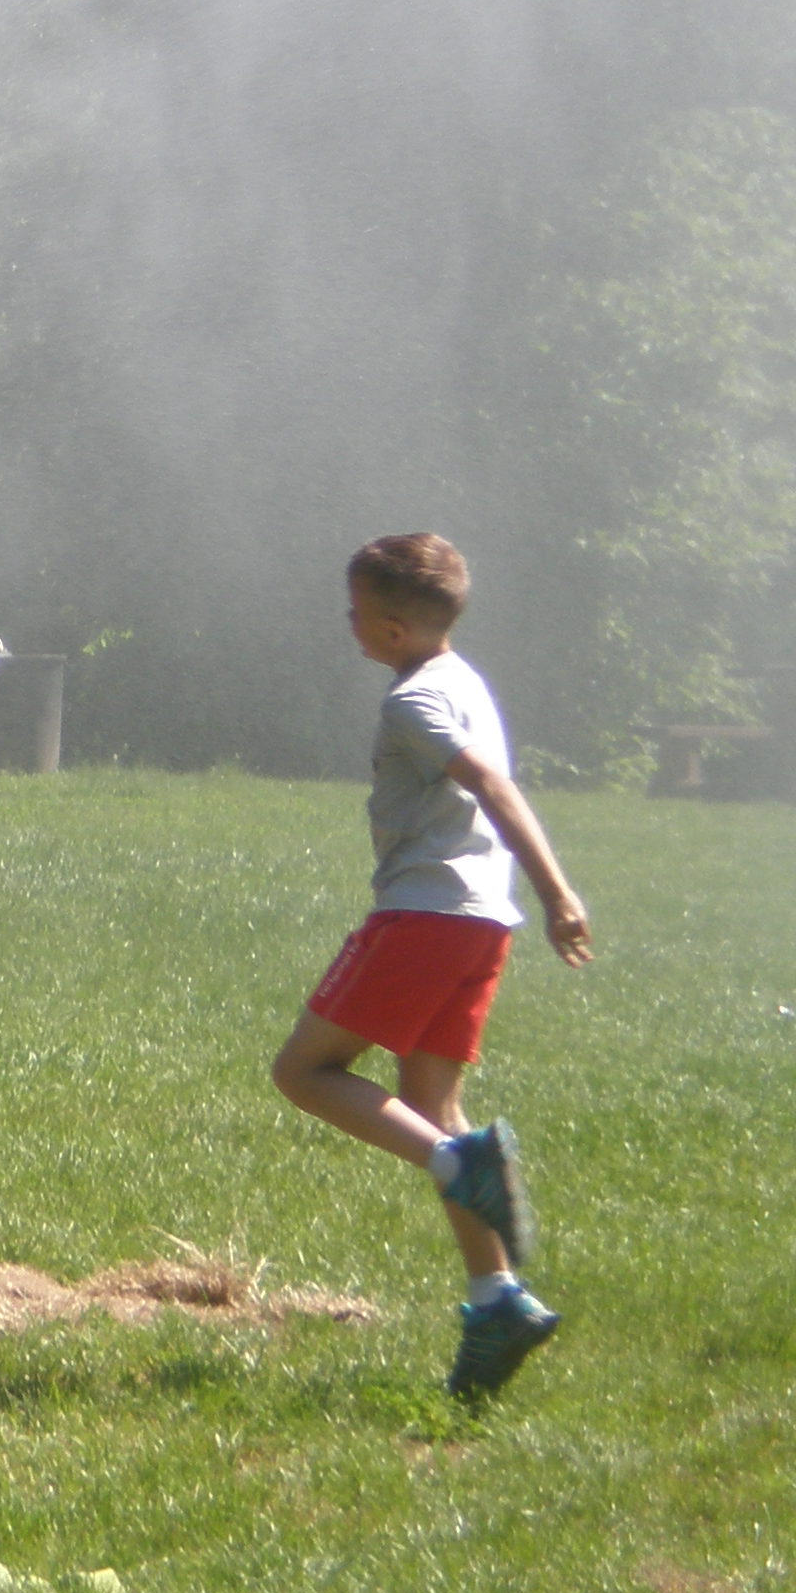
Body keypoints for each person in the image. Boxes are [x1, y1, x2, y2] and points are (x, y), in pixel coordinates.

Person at [270, 533, 591, 1400]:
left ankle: (459, 1165)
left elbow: (490, 783)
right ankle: (497, 1301)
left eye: (358, 612)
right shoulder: (464, 681)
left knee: (303, 1071)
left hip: (425, 915)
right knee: (432, 1106)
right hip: (483, 921)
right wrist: (539, 898)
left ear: (395, 629)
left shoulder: (415, 700)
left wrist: (559, 889)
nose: (348, 622)